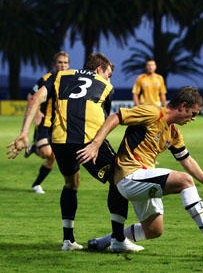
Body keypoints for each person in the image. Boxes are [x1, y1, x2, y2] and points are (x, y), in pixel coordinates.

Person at [78, 86, 203, 252]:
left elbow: (187, 161)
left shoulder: (173, 134)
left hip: (144, 178)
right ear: (182, 106)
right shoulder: (153, 113)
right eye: (192, 113)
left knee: (153, 230)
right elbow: (115, 117)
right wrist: (95, 144)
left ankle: (105, 242)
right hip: (129, 175)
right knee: (185, 181)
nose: (193, 119)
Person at [7, 53, 143, 252]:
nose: (109, 79)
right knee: (118, 178)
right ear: (99, 70)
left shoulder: (60, 76)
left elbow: (35, 98)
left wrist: (24, 133)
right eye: (109, 74)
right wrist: (97, 144)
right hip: (87, 141)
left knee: (71, 183)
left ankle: (68, 241)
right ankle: (118, 239)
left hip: (60, 141)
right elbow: (104, 119)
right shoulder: (106, 86)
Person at [25, 51, 70, 194]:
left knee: (52, 157)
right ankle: (35, 148)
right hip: (45, 121)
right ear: (54, 64)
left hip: (60, 124)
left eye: (65, 63)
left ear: (68, 64)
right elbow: (31, 95)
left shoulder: (71, 80)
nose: (63, 65)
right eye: (60, 62)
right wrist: (37, 112)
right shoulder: (46, 79)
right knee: (47, 153)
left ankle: (36, 184)